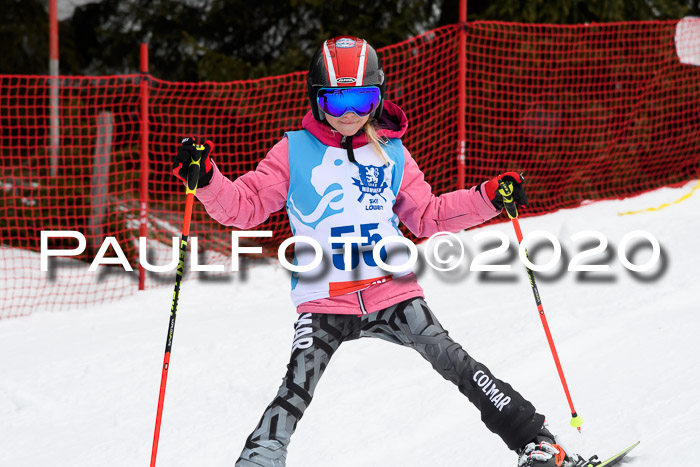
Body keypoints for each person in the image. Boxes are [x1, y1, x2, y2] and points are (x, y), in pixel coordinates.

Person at [172, 36, 584, 467]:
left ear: (378, 97)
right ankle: (260, 459)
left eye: (362, 98)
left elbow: (427, 214)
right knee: (297, 385)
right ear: (317, 101)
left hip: (393, 289)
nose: (350, 113)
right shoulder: (292, 152)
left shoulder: (391, 153)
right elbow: (245, 206)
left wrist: (488, 198)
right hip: (324, 296)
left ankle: (538, 443)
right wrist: (207, 180)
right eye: (336, 101)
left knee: (452, 358)